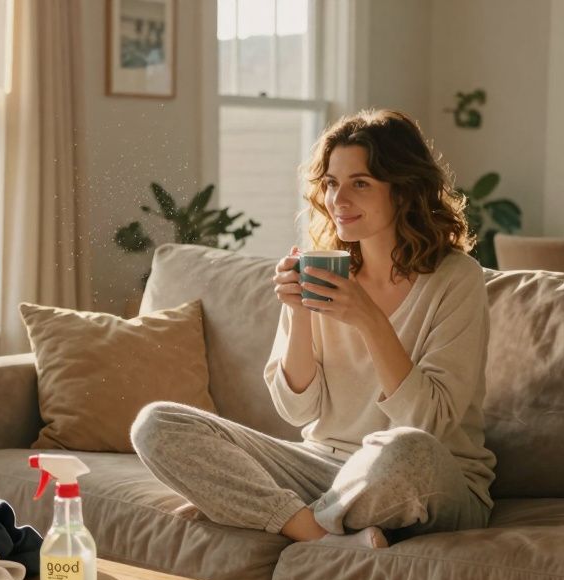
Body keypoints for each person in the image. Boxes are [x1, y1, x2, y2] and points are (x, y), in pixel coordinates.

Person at [131, 109, 495, 548]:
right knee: (156, 424)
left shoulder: (457, 279)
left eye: (360, 183)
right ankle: (317, 532)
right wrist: (299, 311)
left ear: (403, 191)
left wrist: (367, 318)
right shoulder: (323, 270)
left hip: (427, 476)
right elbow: (298, 412)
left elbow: (427, 422)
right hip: (322, 465)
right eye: (331, 183)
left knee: (404, 449)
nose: (339, 200)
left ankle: (284, 517)